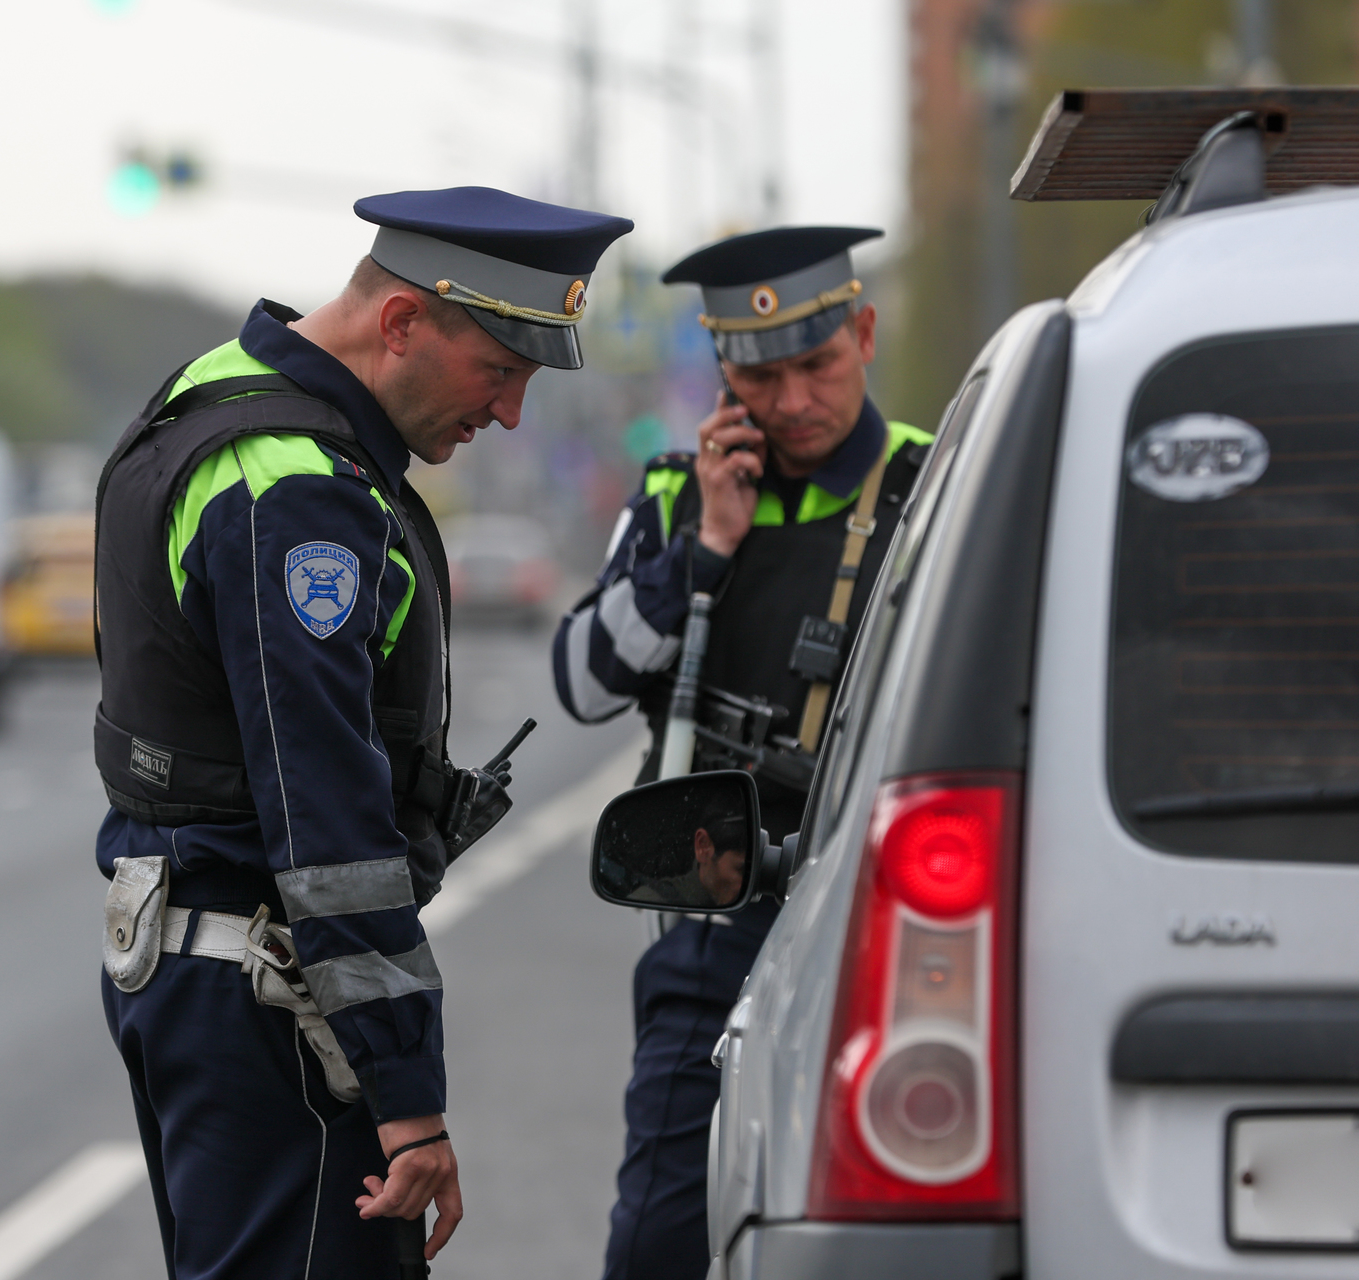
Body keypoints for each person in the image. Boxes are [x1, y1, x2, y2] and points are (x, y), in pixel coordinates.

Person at [94, 186, 631, 1278]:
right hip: (275, 1003)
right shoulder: (297, 491)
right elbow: (325, 819)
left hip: (198, 975)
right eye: (502, 370)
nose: (512, 413)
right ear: (402, 325)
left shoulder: (209, 394)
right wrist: (408, 1100)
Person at [552, 226, 935, 1280]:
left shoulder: (935, 489)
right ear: (725, 373)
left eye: (819, 364)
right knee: (656, 1242)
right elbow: (581, 683)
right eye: (763, 376)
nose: (796, 399)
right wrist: (704, 550)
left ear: (862, 334)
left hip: (881, 919)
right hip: (712, 918)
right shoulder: (679, 494)